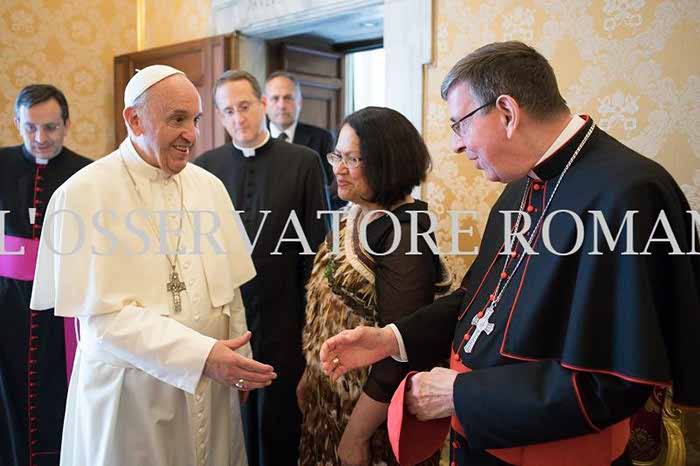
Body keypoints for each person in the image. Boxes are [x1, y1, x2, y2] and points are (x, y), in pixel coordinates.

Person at [320, 41, 700, 466]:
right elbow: (478, 302)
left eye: (460, 125)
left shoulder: (628, 194)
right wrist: (393, 338)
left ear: (506, 112)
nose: (456, 146)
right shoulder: (519, 187)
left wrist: (461, 395)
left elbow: (611, 382)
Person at [29, 65, 277, 466]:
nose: (192, 134)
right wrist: (203, 357)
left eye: (195, 120)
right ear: (134, 120)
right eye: (177, 120)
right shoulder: (84, 194)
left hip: (212, 390)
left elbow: (229, 290)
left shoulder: (208, 187)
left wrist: (239, 352)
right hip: (132, 402)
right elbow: (103, 322)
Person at [297, 106, 452, 466]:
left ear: (388, 164)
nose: (338, 168)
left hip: (369, 420)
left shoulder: (405, 237)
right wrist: (311, 374)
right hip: (331, 405)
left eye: (352, 159)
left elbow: (400, 351)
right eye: (337, 155)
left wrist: (357, 436)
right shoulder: (356, 212)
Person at [195, 70, 329, 466]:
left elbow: (315, 251)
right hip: (223, 319)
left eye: (245, 106)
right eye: (228, 111)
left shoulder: (303, 161)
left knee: (279, 425)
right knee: (226, 425)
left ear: (263, 104)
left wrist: (311, 331)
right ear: (219, 116)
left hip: (283, 317)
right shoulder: (204, 168)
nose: (238, 118)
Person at [0, 84, 91, 466]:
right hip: (7, 306)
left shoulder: (88, 173)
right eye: (30, 127)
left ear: (67, 124)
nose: (40, 138)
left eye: (50, 127)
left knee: (59, 394)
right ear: (17, 123)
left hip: (63, 308)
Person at [264, 71, 344, 209]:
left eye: (288, 98)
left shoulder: (322, 139)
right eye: (275, 98)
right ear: (264, 103)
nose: (281, 105)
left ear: (299, 102)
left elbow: (337, 192)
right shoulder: (253, 141)